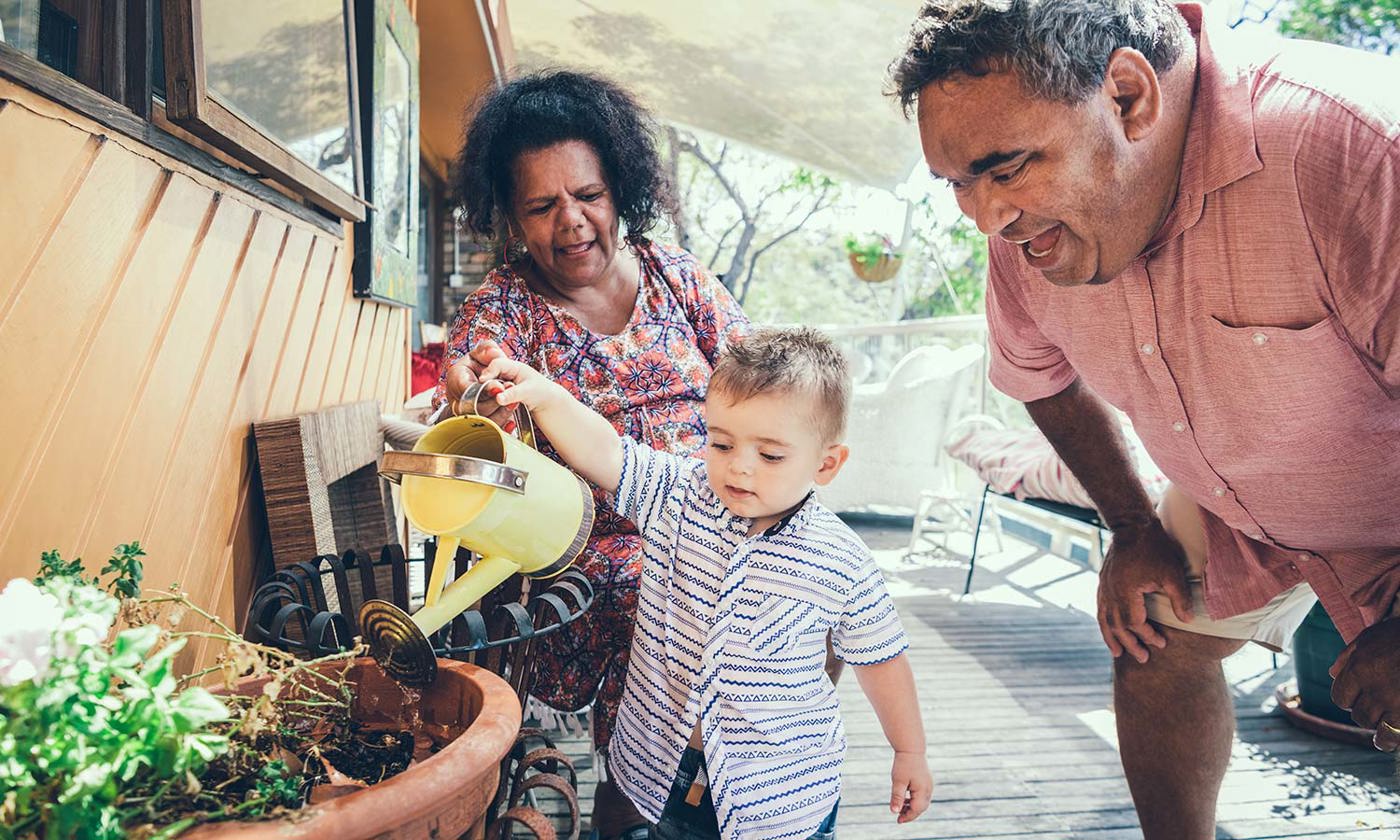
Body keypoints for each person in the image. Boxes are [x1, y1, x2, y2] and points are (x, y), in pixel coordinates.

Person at [887, 2, 1399, 838]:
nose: (983, 219)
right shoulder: (1025, 238)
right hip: (1233, 496)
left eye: (1006, 168)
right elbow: (1039, 376)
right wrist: (1130, 524)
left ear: (1128, 97)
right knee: (1153, 644)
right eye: (956, 183)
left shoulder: (1354, 149)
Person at [433, 69, 750, 839]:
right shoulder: (502, 312)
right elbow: (470, 402)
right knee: (683, 606)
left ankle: (718, 793)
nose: (571, 222)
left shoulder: (678, 279)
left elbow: (763, 385)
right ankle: (652, 802)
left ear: (620, 191)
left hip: (721, 526)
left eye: (589, 195)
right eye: (542, 206)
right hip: (595, 567)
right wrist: (471, 391)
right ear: (509, 215)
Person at [474, 327, 933, 840]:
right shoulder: (678, 495)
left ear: (826, 464)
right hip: (662, 773)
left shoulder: (843, 561)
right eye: (721, 442)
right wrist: (546, 396)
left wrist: (908, 750)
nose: (739, 465)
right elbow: (607, 450)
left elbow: (883, 662)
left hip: (781, 797)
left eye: (771, 455)